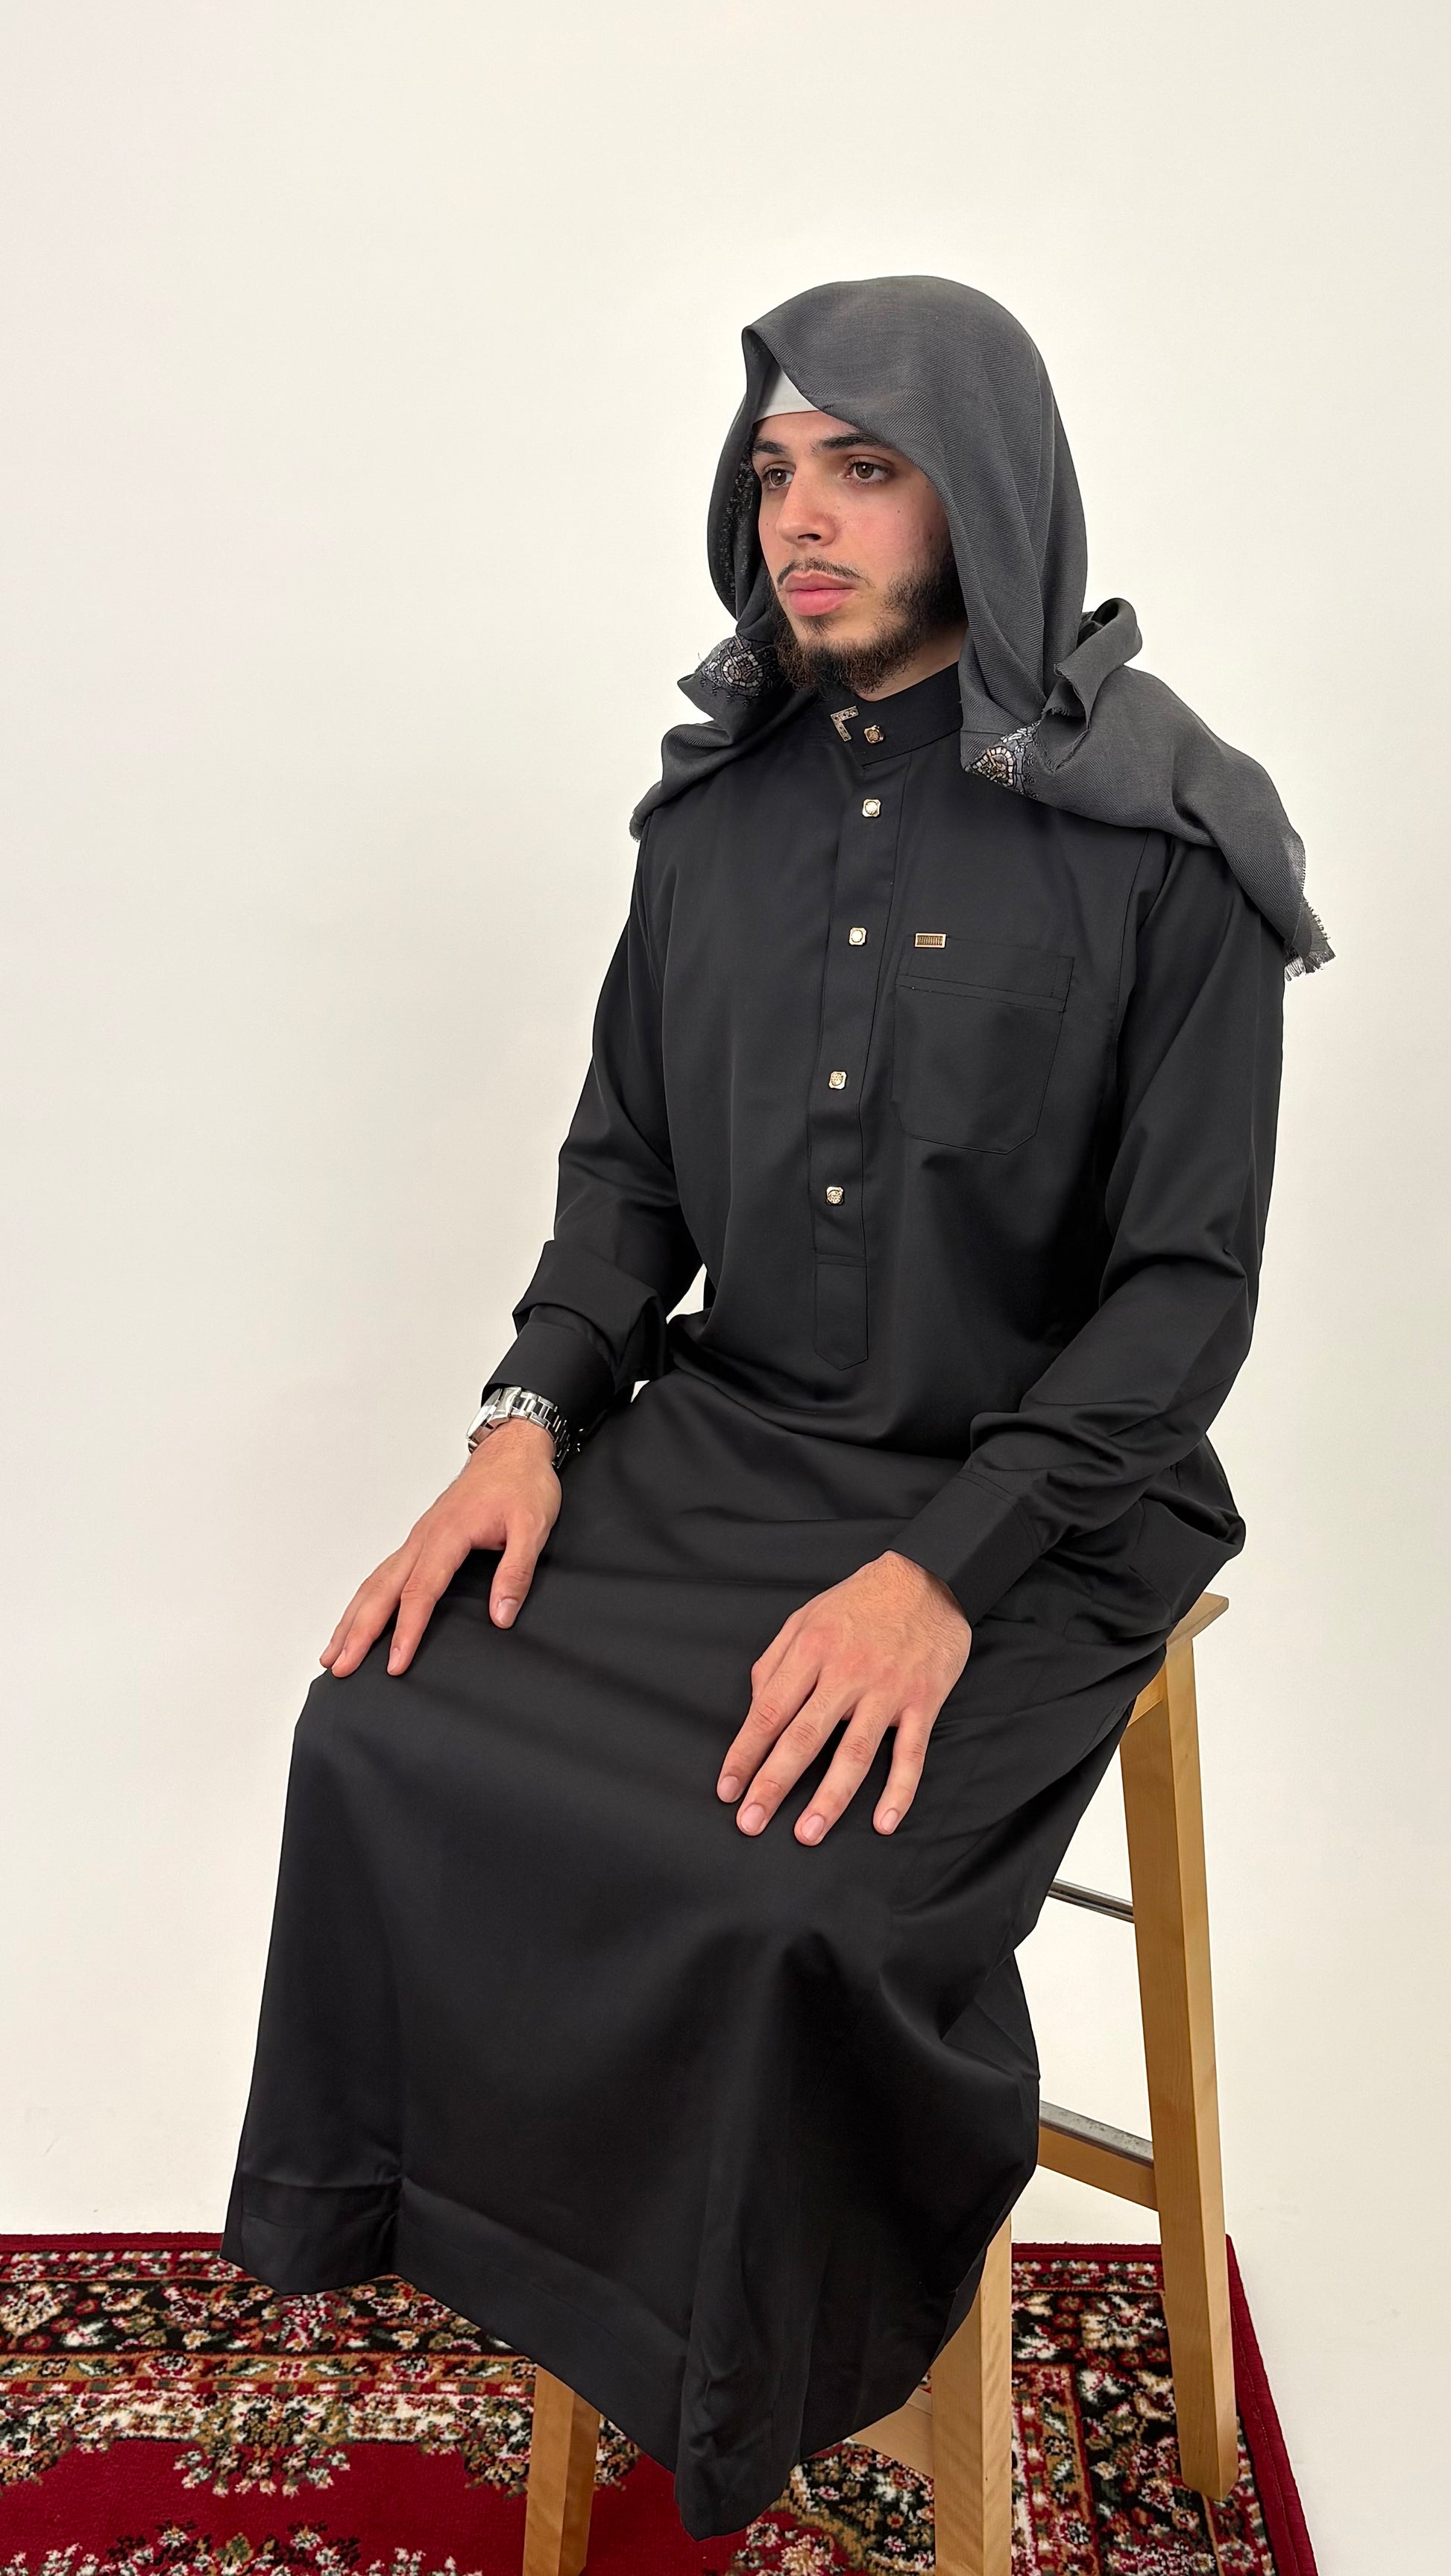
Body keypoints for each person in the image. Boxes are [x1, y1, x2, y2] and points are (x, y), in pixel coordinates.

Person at [222, 274, 1326, 2541]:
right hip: (731, 1444)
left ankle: (753, 2353)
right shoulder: (710, 816)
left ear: (984, 491)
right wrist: (524, 1418)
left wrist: (939, 1580)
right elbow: (626, 1168)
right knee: (385, 1731)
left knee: (785, 1912)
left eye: (863, 467)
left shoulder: (1176, 841)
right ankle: (571, 2283)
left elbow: (1181, 1298)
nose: (798, 519)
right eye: (772, 471)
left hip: (1046, 1501)